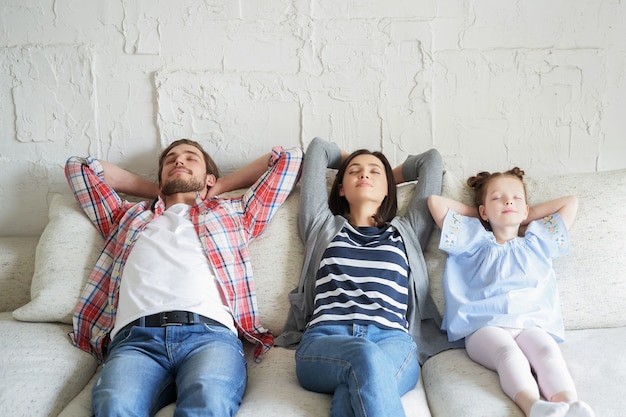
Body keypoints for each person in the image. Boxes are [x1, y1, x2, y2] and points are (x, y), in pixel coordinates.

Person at [64, 139, 302, 417]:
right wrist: (159, 189)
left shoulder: (234, 212)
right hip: (136, 341)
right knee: (115, 407)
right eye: (171, 160)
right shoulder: (126, 216)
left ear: (209, 177)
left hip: (210, 337)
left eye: (191, 158)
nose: (179, 161)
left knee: (208, 406)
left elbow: (290, 158)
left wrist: (219, 186)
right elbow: (79, 167)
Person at [274, 137, 458, 417]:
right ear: (340, 188)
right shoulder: (321, 226)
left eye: (374, 172)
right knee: (365, 357)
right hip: (325, 340)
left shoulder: (406, 233)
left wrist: (384, 172)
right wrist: (363, 166)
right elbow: (319, 149)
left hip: (392, 342)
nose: (364, 174)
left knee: (353, 392)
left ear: (388, 189)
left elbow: (430, 160)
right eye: (354, 171)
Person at [427, 167, 595, 417]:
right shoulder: (472, 239)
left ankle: (569, 405)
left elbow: (571, 202)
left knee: (548, 352)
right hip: (483, 327)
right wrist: (483, 216)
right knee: (509, 355)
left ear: (526, 208)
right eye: (497, 198)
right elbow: (435, 202)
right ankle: (533, 406)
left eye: (516, 198)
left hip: (531, 324)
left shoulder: (538, 242)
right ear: (483, 210)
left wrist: (524, 215)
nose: (508, 201)